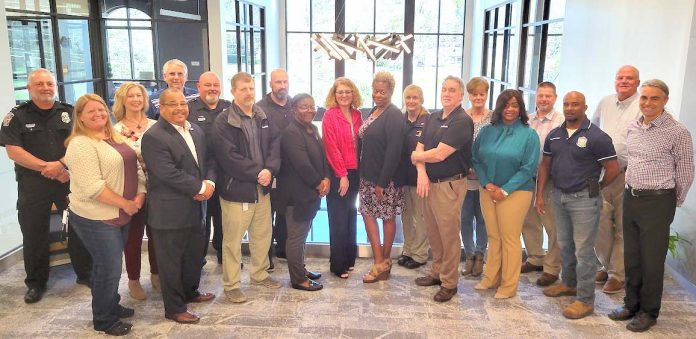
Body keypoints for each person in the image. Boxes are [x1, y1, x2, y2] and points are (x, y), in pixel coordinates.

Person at [609, 80, 694, 332]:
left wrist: (672, 200)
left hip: (658, 200)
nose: (647, 103)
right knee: (632, 256)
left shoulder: (677, 132)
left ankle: (649, 311)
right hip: (631, 197)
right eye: (644, 98)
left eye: (654, 98)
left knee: (652, 260)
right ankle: (631, 304)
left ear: (665, 101)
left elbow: (687, 171)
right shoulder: (634, 126)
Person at [0, 68, 91, 304]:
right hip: (33, 185)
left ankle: (85, 273)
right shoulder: (16, 116)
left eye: (49, 83)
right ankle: (36, 283)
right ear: (29, 88)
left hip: (66, 180)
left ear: (55, 86)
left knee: (78, 227)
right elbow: (14, 151)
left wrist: (61, 166)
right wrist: (46, 167)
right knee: (33, 233)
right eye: (39, 84)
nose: (45, 88)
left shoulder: (69, 113)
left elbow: (81, 143)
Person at [64, 93, 146, 336]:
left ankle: (109, 304)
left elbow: (134, 166)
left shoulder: (114, 136)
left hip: (122, 212)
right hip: (96, 217)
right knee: (109, 267)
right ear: (80, 117)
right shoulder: (80, 144)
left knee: (107, 266)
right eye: (91, 111)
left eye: (101, 109)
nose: (98, 114)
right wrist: (126, 204)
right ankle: (104, 319)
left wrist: (140, 193)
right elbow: (93, 187)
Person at [538, 91, 620, 319]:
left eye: (575, 104)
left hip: (585, 200)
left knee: (584, 251)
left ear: (584, 107)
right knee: (565, 244)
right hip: (559, 196)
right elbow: (545, 165)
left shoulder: (597, 137)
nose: (570, 108)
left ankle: (585, 300)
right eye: (567, 104)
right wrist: (540, 195)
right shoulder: (555, 135)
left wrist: (597, 187)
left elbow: (613, 169)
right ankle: (569, 284)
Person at [141, 89, 216, 324]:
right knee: (171, 262)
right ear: (161, 108)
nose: (180, 108)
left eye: (183, 103)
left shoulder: (195, 129)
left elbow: (209, 160)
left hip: (196, 208)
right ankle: (174, 308)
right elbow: (167, 173)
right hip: (169, 212)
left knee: (193, 255)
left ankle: (190, 291)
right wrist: (200, 188)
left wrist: (210, 182)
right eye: (173, 104)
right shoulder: (153, 136)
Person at [213, 72, 282, 303]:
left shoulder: (263, 116)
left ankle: (259, 274)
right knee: (232, 241)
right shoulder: (224, 121)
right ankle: (232, 285)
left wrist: (270, 170)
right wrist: (257, 173)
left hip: (262, 189)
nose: (248, 93)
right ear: (232, 92)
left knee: (262, 235)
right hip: (237, 191)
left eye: (251, 88)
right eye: (243, 89)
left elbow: (275, 145)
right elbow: (228, 157)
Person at [471, 89, 540, 299]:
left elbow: (529, 168)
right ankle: (491, 277)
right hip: (488, 190)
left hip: (516, 192)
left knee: (510, 238)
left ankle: (509, 285)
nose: (510, 109)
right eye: (506, 105)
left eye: (515, 105)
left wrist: (505, 189)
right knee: (494, 236)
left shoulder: (529, 135)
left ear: (520, 109)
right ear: (500, 106)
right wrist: (486, 183)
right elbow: (475, 158)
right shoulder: (487, 131)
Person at [412, 76, 473, 302]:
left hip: (449, 184)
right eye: (444, 89)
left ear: (461, 95)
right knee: (433, 232)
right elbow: (420, 147)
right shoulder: (432, 117)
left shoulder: (462, 121)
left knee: (448, 235)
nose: (447, 93)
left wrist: (416, 157)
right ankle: (436, 273)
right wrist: (421, 172)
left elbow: (439, 153)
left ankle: (449, 282)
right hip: (427, 182)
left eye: (452, 90)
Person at [591, 65, 641, 294]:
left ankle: (617, 274)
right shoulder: (605, 103)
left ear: (637, 82)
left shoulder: (644, 106)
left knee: (622, 227)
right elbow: (592, 130)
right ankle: (604, 264)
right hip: (601, 173)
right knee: (599, 224)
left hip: (627, 175)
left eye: (629, 78)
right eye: (620, 77)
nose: (624, 81)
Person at [277, 93, 329, 291]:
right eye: (304, 107)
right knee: (296, 237)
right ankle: (298, 279)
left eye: (312, 106)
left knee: (303, 233)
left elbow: (322, 157)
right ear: (294, 110)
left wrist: (326, 178)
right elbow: (302, 164)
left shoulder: (313, 128)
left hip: (310, 193)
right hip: (296, 196)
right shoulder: (291, 132)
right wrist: (319, 183)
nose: (309, 110)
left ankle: (301, 268)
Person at [112, 82, 159, 300]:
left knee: (158, 235)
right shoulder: (115, 130)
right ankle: (133, 280)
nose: (136, 99)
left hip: (159, 190)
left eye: (139, 95)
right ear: (122, 100)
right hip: (132, 191)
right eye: (130, 96)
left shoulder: (155, 125)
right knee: (134, 238)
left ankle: (157, 274)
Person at [358, 71, 405, 283]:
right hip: (367, 176)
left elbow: (394, 151)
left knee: (386, 218)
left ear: (391, 92)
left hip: (384, 180)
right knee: (368, 215)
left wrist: (382, 182)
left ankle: (381, 262)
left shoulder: (394, 114)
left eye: (382, 92)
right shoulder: (374, 111)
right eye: (375, 91)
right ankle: (382, 262)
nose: (378, 95)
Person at [521, 82, 565, 287]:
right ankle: (535, 257)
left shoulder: (561, 121)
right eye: (541, 96)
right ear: (535, 97)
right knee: (528, 220)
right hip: (528, 178)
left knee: (552, 224)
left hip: (551, 180)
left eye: (548, 96)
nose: (544, 99)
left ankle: (552, 267)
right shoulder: (527, 120)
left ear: (555, 98)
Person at [187, 71, 231, 264]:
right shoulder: (189, 109)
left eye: (215, 85)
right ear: (198, 87)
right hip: (201, 176)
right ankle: (199, 259)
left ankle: (224, 255)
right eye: (207, 85)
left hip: (227, 175)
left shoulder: (229, 108)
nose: (212, 88)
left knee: (224, 219)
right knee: (201, 221)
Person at [322, 77, 362, 279]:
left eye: (348, 91)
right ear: (334, 95)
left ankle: (349, 258)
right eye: (340, 92)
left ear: (353, 93)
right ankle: (338, 264)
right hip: (339, 173)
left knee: (350, 214)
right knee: (338, 217)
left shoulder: (358, 115)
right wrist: (342, 175)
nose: (344, 95)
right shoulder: (330, 116)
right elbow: (331, 148)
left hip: (356, 172)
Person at [256, 69, 293, 268]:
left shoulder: (294, 105)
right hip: (269, 170)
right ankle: (266, 257)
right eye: (278, 82)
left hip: (291, 171)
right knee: (266, 215)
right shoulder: (260, 108)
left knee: (286, 213)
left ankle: (284, 251)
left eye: (285, 81)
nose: (282, 86)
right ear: (270, 84)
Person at [395, 84, 430, 270]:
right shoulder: (400, 119)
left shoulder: (428, 120)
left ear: (421, 99)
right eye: (408, 97)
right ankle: (408, 250)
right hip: (403, 177)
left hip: (420, 178)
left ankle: (419, 254)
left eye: (415, 97)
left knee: (421, 216)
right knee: (406, 216)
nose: (411, 101)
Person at [460, 77, 492, 277]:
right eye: (474, 94)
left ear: (486, 95)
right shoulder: (463, 116)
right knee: (464, 218)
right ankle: (469, 255)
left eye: (482, 94)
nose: (478, 97)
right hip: (464, 174)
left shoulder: (493, 118)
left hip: (486, 175)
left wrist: (480, 169)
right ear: (469, 96)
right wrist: (467, 167)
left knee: (482, 218)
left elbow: (493, 147)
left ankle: (480, 255)